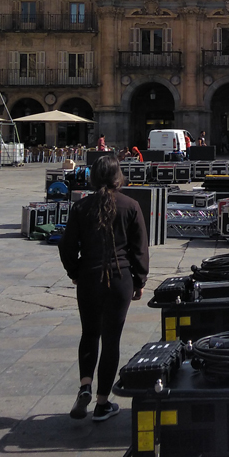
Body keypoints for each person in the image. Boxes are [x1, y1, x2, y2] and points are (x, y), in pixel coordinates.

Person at [58, 155, 150, 421]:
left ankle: (85, 385)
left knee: (89, 334)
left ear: (93, 178)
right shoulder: (131, 205)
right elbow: (140, 248)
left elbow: (66, 246)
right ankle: (102, 403)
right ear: (117, 177)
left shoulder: (81, 207)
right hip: (120, 279)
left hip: (88, 277)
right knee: (111, 340)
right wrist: (140, 280)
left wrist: (75, 272)